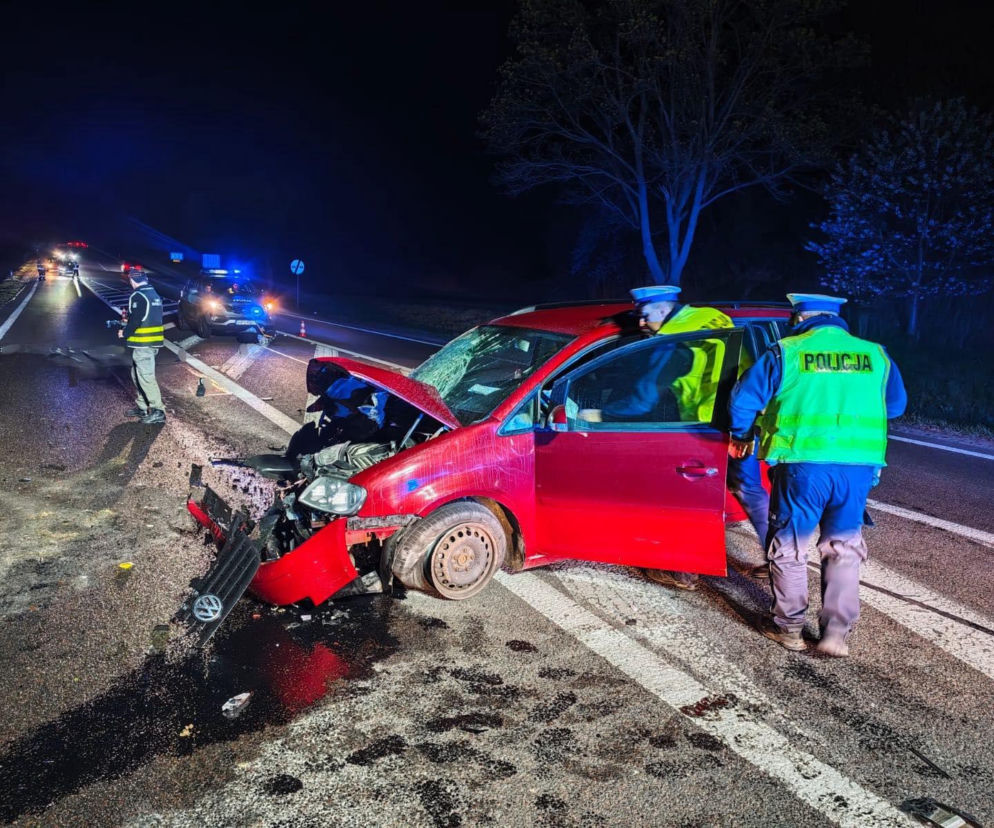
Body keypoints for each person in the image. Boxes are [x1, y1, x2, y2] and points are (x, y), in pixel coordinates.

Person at [728, 293, 907, 656]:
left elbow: (742, 401)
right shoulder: (876, 354)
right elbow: (896, 405)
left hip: (803, 466)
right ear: (837, 319)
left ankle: (789, 628)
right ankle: (835, 636)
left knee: (791, 547)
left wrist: (744, 435)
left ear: (799, 318)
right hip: (858, 469)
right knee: (843, 548)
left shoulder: (786, 351)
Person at [581, 285, 771, 591]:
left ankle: (684, 572)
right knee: (751, 491)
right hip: (741, 424)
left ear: (662, 309)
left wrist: (600, 415)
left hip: (705, 426)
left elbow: (642, 400)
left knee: (688, 498)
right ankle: (778, 563)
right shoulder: (711, 317)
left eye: (644, 316)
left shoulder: (673, 340)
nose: (642, 324)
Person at [119, 269, 166, 425]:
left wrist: (124, 332)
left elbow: (136, 321)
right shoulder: (154, 294)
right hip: (152, 343)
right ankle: (142, 406)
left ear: (133, 280)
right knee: (137, 375)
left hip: (143, 344)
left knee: (145, 377)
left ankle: (158, 410)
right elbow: (148, 317)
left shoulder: (138, 295)